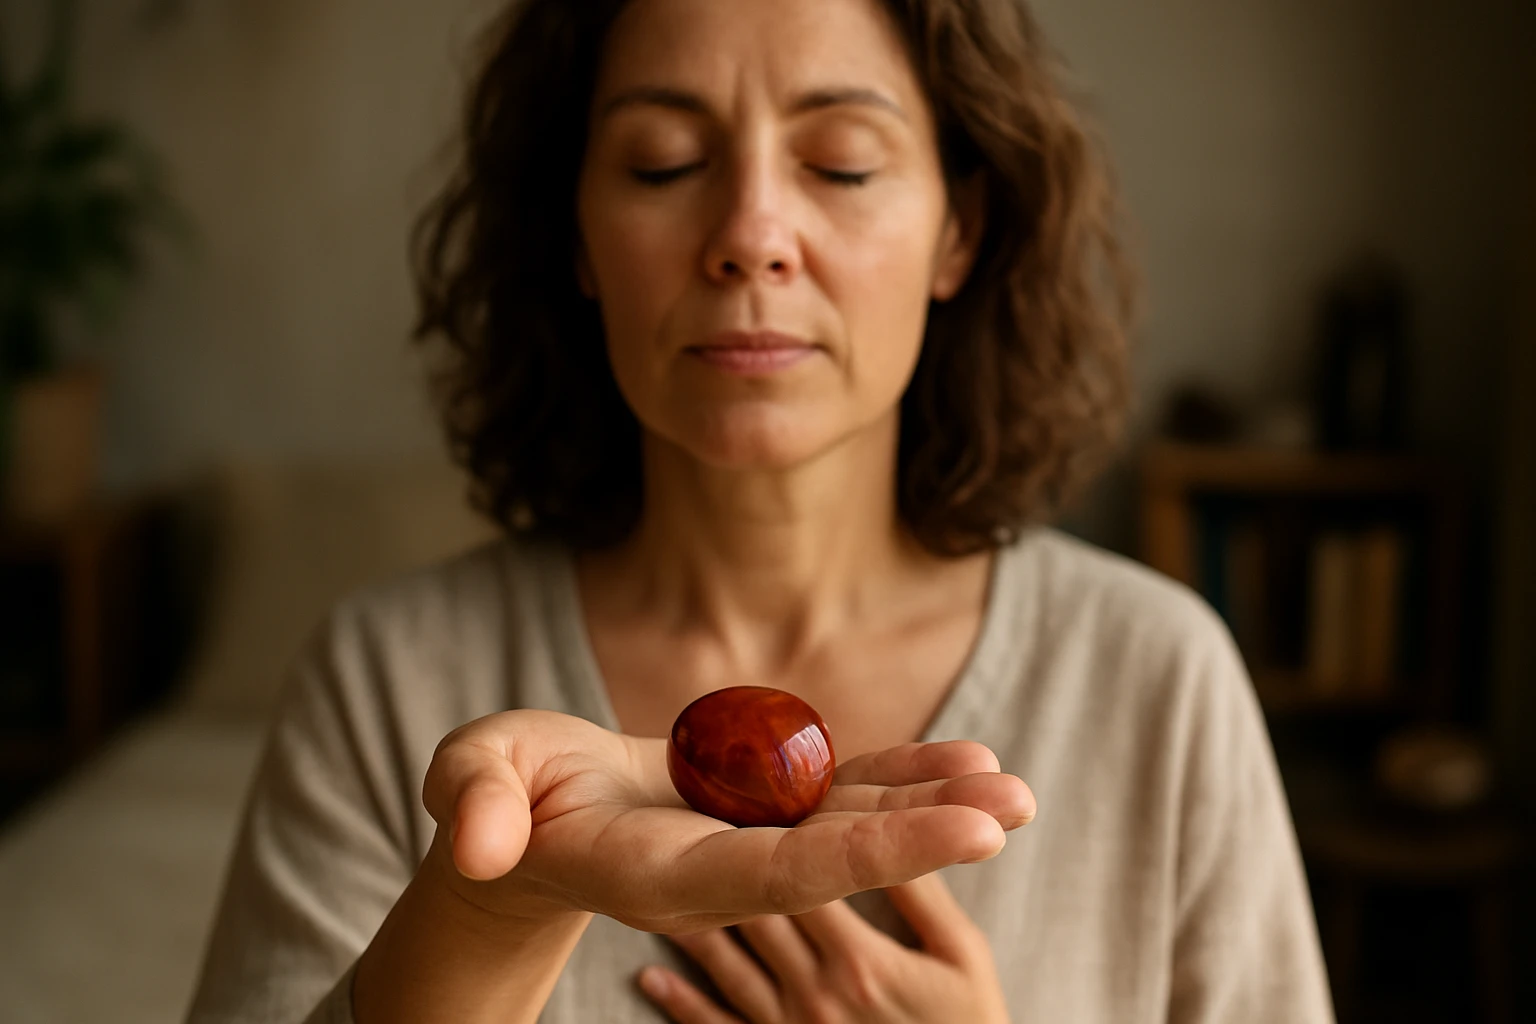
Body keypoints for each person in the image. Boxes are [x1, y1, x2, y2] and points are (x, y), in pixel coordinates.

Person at [187, 0, 1335, 1021]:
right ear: (578, 234)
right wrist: (490, 916)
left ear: (958, 229)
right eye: (661, 162)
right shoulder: (383, 679)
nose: (749, 235)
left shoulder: (1159, 677)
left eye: (840, 164)